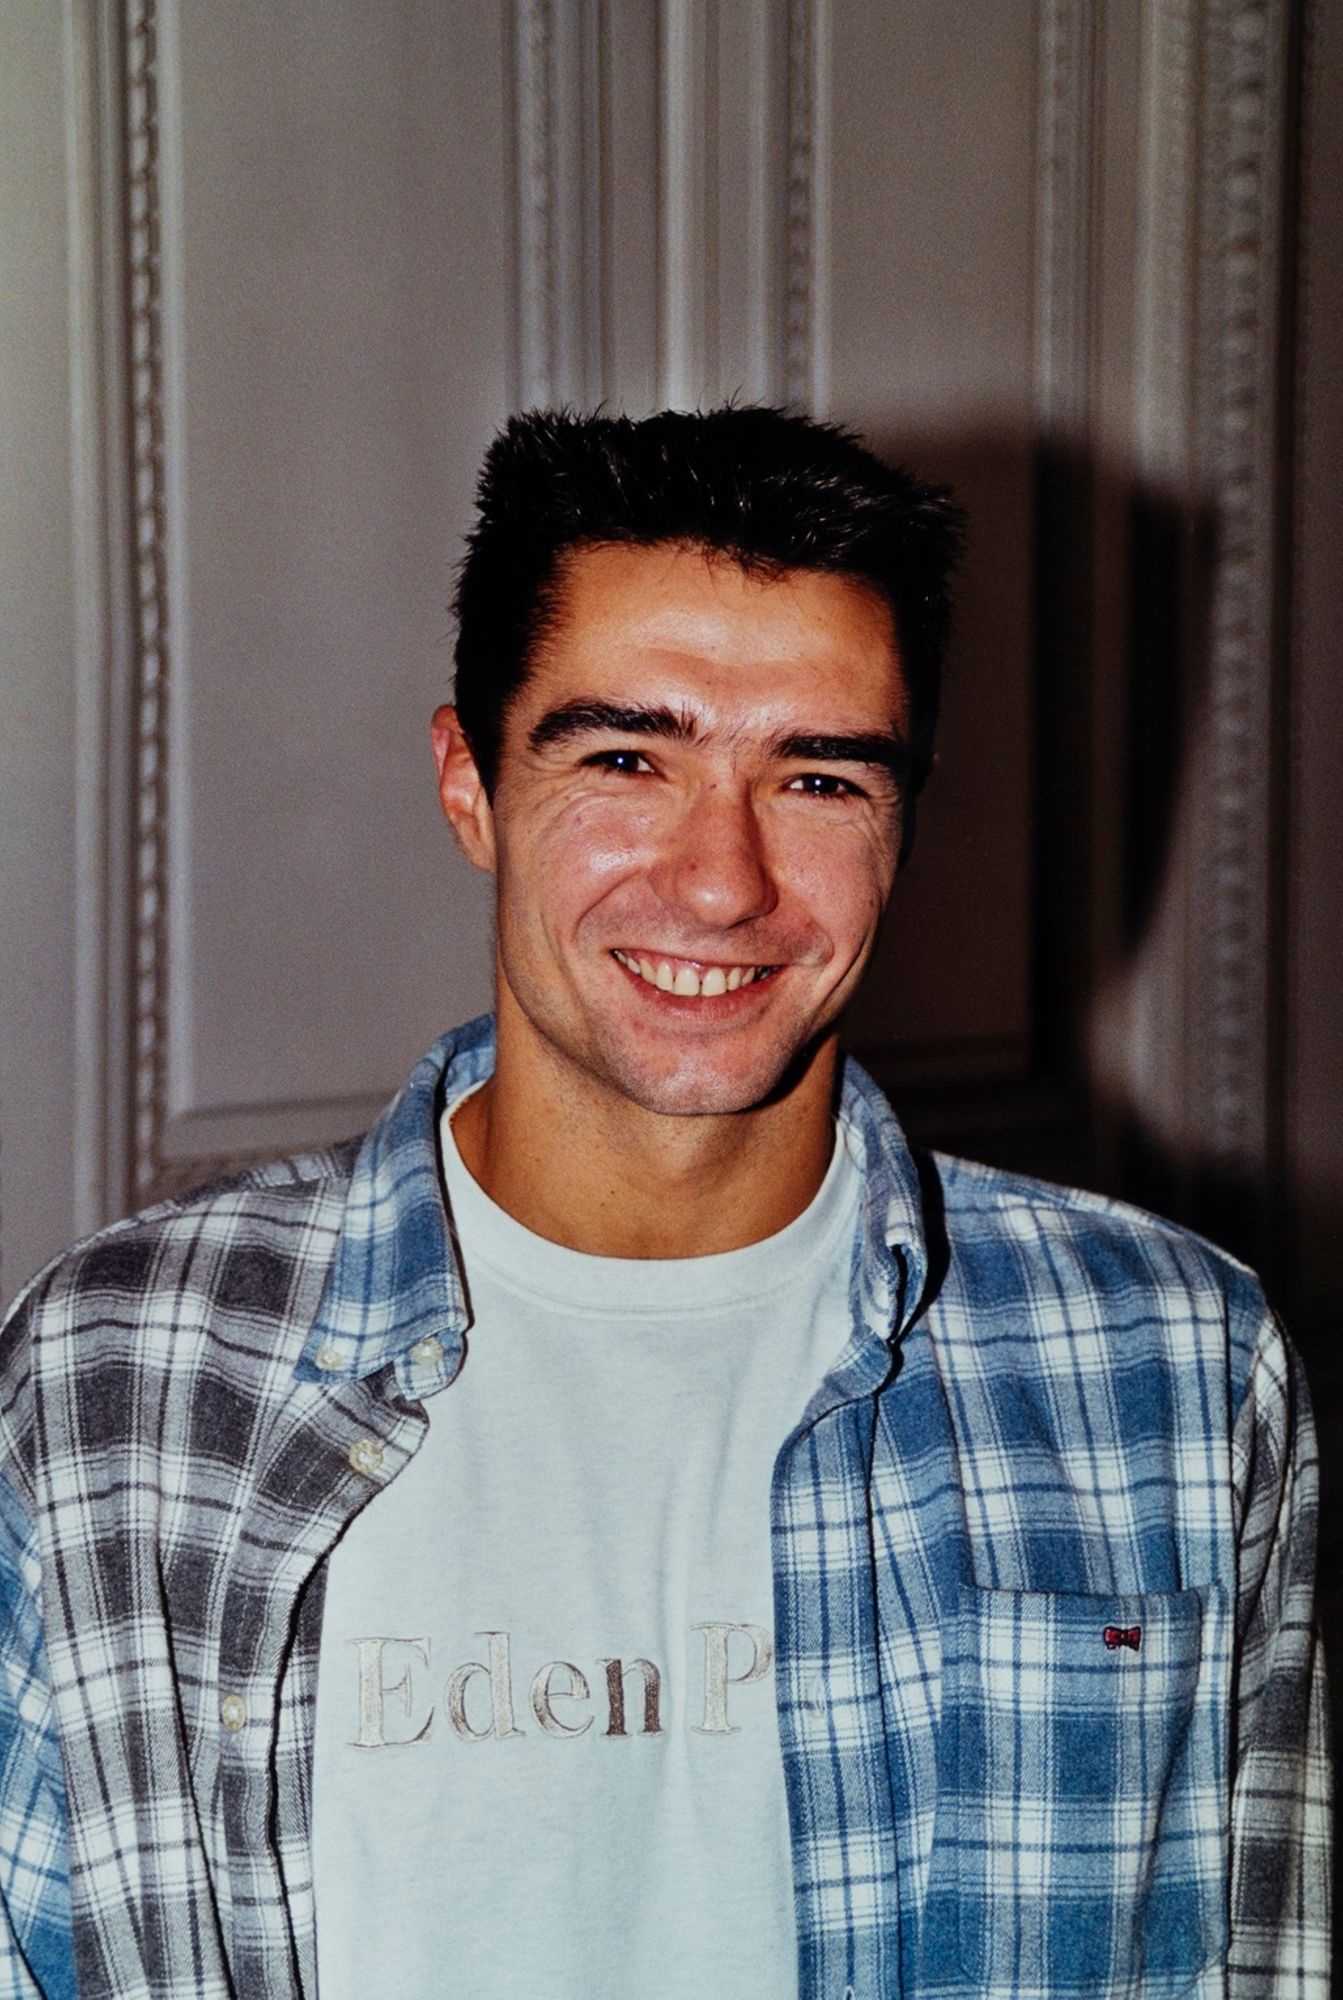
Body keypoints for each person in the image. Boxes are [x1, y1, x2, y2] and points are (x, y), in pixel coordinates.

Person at [0, 406, 1328, 1999]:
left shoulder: (1170, 1366)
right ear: (472, 786)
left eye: (820, 778)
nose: (722, 881)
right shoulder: (125, 1379)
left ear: (905, 819)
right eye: (627, 759)